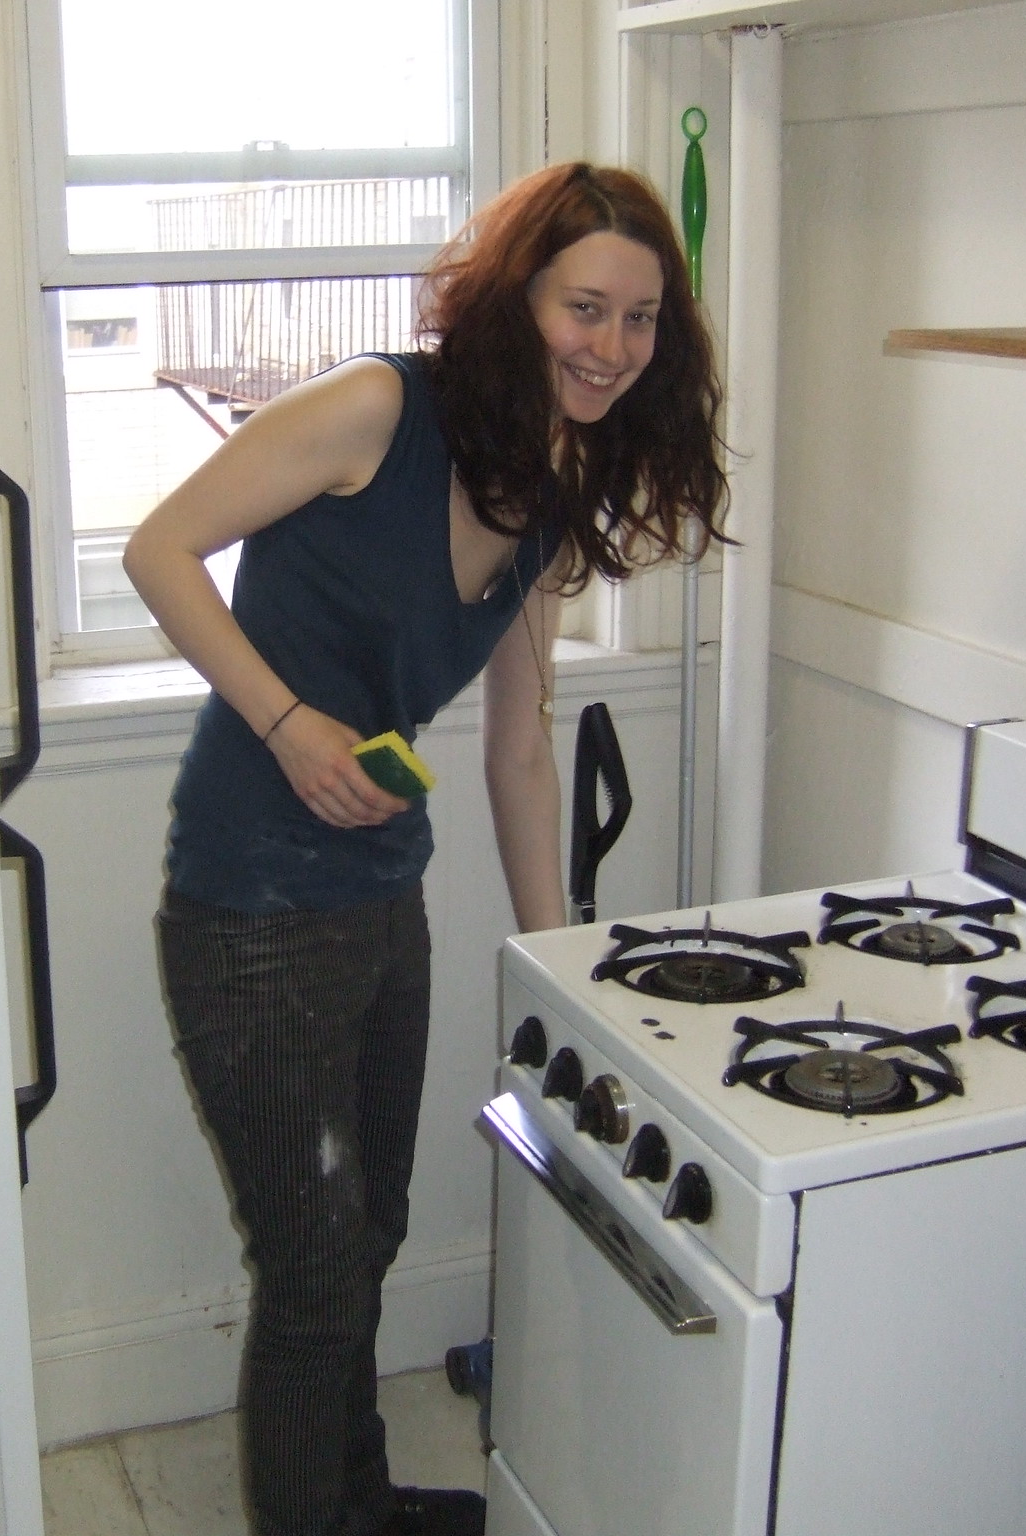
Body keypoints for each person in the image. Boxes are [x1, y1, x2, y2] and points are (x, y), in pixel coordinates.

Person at [122, 161, 730, 1536]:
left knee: (367, 1238)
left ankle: (354, 1503)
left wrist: (558, 955)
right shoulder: (376, 408)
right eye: (588, 307)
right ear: (518, 296)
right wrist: (284, 723)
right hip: (250, 911)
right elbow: (160, 550)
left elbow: (523, 743)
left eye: (641, 322)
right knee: (314, 1270)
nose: (612, 348)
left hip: (383, 902)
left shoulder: (550, 482)